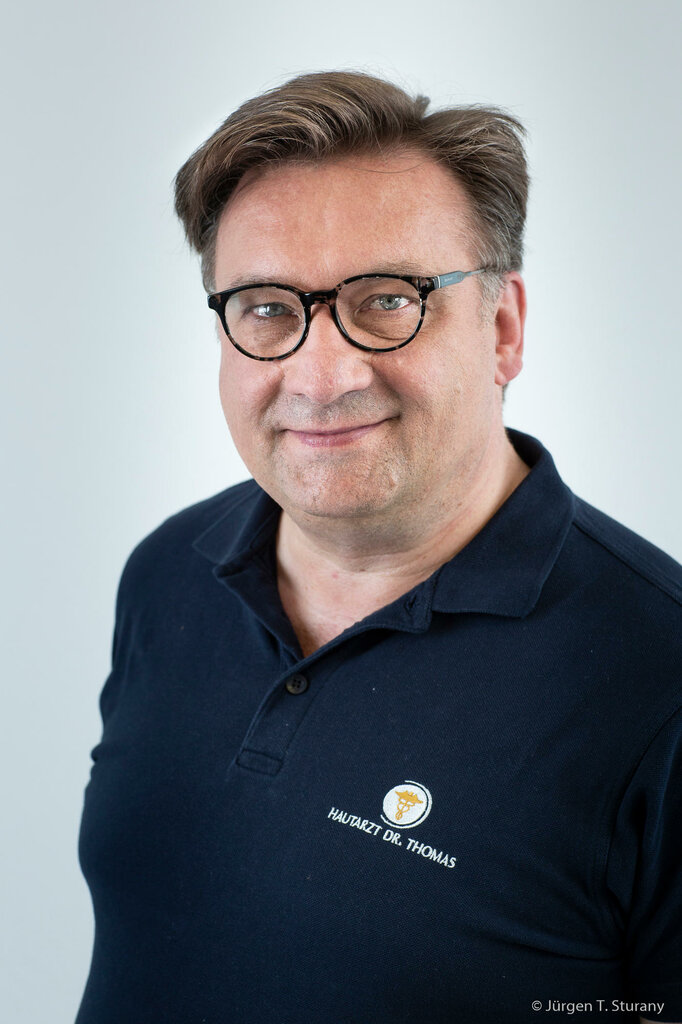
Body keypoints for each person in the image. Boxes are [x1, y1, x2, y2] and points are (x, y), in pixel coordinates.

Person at [75, 71, 682, 1024]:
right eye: (267, 308)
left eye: (389, 300)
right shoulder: (169, 571)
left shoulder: (658, 676)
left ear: (503, 329)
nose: (322, 376)